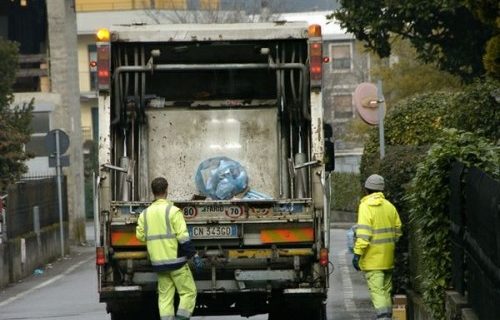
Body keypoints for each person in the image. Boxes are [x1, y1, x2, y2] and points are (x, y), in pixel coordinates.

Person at [136, 177, 203, 320]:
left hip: (159, 263)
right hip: (176, 262)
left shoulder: (145, 214)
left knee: (165, 297)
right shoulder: (173, 211)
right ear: (167, 190)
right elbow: (183, 238)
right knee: (188, 293)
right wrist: (194, 256)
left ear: (153, 192)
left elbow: (140, 236)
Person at [352, 174, 402, 320]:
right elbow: (398, 229)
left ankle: (383, 317)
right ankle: (387, 315)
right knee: (386, 289)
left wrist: (357, 253)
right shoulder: (389, 206)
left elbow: (364, 235)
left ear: (366, 189)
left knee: (377, 290)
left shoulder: (365, 207)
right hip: (388, 257)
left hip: (372, 259)